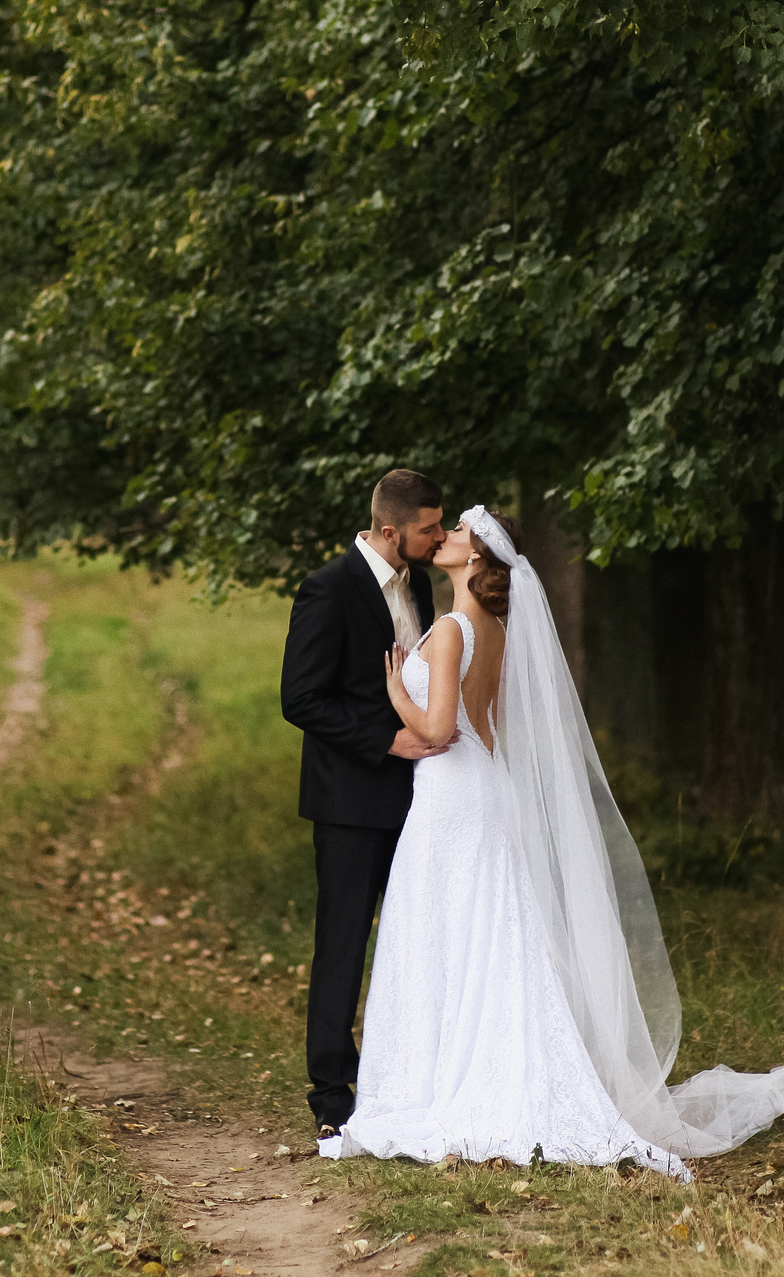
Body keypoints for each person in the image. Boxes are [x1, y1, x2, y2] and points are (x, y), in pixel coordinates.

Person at [319, 504, 784, 1177]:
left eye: (456, 534)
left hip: (453, 793)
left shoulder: (449, 630)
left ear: (476, 558)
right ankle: (482, 1067)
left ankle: (445, 1082)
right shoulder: (494, 631)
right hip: (483, 789)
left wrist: (397, 695)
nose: (442, 539)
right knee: (489, 934)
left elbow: (442, 730)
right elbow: (494, 730)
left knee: (451, 933)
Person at [279, 468, 453, 1137]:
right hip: (350, 799)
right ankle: (331, 1092)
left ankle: (403, 1075)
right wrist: (388, 741)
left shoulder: (420, 584)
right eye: (428, 528)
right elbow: (301, 698)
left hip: (420, 799)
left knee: (415, 936)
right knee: (344, 942)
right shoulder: (328, 588)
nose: (437, 538)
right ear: (390, 529)